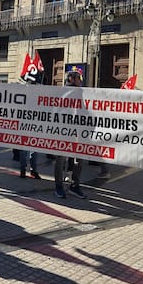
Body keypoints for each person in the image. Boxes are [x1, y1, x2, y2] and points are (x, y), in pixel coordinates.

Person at [54, 71, 86, 199]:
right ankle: (58, 186)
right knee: (60, 159)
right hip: (64, 131)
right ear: (72, 79)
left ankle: (75, 185)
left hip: (78, 132)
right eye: (79, 78)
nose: (81, 81)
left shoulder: (81, 92)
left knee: (79, 159)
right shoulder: (62, 92)